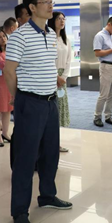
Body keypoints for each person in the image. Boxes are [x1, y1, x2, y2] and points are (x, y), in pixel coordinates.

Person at [5, 0, 72, 223]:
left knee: (50, 153)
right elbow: (9, 71)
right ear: (32, 7)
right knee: (26, 158)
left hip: (50, 102)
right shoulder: (19, 36)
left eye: (51, 0)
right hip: (30, 103)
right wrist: (20, 99)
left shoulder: (50, 34)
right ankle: (19, 210)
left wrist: (53, 82)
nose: (50, 4)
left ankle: (47, 196)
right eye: (45, 1)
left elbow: (47, 65)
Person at [92, 17, 112, 127]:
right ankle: (97, 117)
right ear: (109, 24)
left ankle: (108, 115)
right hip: (106, 66)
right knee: (104, 94)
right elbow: (97, 53)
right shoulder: (99, 36)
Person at [48, 11, 72, 152]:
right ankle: (49, 143)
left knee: (59, 111)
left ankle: (56, 143)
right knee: (51, 110)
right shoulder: (48, 38)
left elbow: (69, 60)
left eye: (63, 19)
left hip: (62, 78)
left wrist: (64, 77)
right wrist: (56, 76)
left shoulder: (66, 39)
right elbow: (48, 60)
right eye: (59, 18)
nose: (62, 21)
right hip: (50, 76)